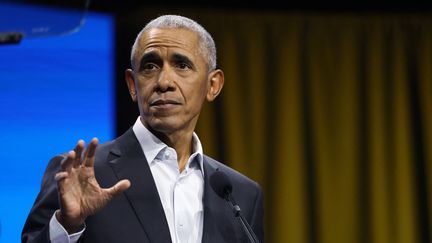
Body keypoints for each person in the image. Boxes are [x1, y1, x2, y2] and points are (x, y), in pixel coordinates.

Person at [22, 15, 264, 243]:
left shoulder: (241, 194)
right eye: (150, 66)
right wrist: (67, 225)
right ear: (132, 85)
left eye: (181, 65)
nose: (164, 82)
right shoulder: (82, 176)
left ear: (213, 85)